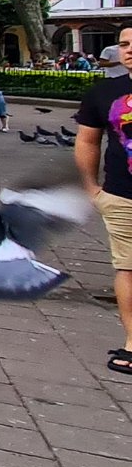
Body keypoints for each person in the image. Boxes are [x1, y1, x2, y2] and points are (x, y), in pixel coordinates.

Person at [73, 24, 132, 379]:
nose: (129, 50)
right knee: (128, 267)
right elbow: (87, 141)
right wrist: (92, 188)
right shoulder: (105, 93)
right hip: (124, 195)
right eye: (124, 44)